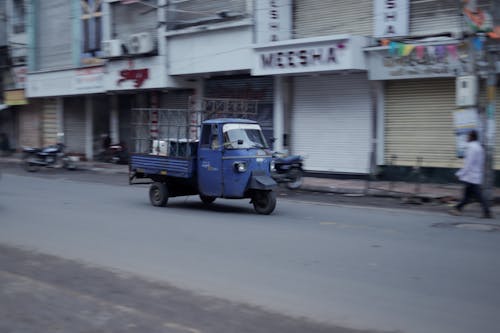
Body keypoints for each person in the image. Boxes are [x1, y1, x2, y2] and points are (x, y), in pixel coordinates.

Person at [449, 130, 492, 218]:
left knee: (476, 196)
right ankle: (458, 209)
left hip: (471, 176)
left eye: (468, 136)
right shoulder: (479, 147)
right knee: (469, 196)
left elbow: (468, 164)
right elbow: (480, 162)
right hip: (475, 175)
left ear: (472, 137)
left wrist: (459, 174)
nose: (467, 138)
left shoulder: (471, 148)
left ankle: (458, 209)